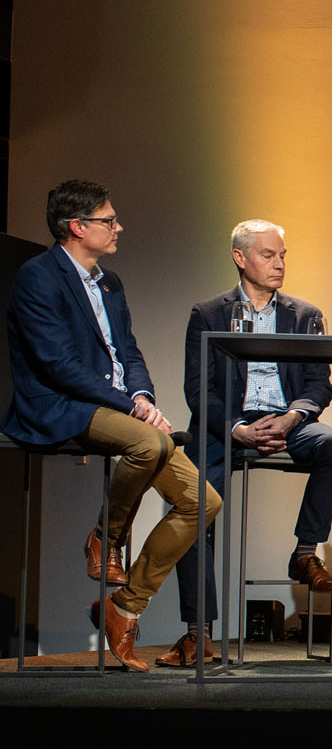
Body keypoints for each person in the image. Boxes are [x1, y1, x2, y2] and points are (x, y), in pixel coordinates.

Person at [1, 180, 216, 671]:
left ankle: (124, 607)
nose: (118, 227)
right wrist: (130, 406)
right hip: (62, 404)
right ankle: (108, 537)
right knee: (146, 443)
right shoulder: (39, 277)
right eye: (108, 220)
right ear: (77, 227)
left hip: (116, 405)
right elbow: (58, 365)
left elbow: (129, 352)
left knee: (204, 501)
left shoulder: (110, 282)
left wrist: (141, 395)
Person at [174, 220, 332, 668]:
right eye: (268, 255)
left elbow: (319, 384)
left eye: (283, 255)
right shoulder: (208, 314)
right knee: (193, 505)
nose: (279, 264)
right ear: (240, 258)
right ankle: (199, 632)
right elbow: (199, 390)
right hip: (228, 428)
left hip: (288, 419)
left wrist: (294, 417)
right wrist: (237, 428)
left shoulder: (304, 315)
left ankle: (304, 553)